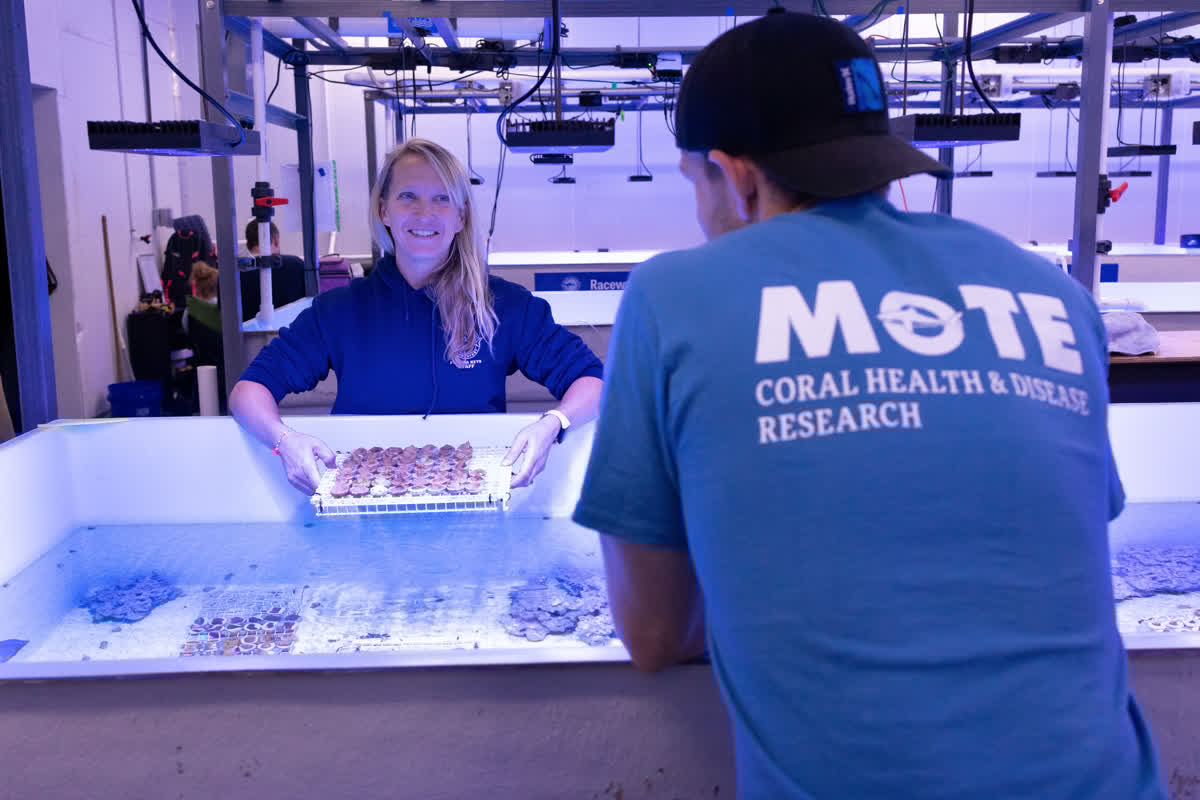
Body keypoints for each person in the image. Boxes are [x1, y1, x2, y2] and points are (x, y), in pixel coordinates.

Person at [572, 13, 1164, 800]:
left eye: (694, 186)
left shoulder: (671, 295)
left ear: (735, 176)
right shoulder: (1053, 293)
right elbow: (1051, 544)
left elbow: (654, 633)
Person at [231, 138, 603, 493]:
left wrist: (555, 423)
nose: (425, 213)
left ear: (460, 216)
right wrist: (284, 439)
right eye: (408, 196)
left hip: (472, 505)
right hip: (362, 508)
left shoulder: (505, 306)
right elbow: (248, 392)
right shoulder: (339, 311)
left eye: (442, 199)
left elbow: (595, 382)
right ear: (384, 210)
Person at [240, 220, 309, 322]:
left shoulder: (233, 273)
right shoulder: (295, 265)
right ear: (276, 240)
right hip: (289, 333)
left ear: (248, 243)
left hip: (243, 336)